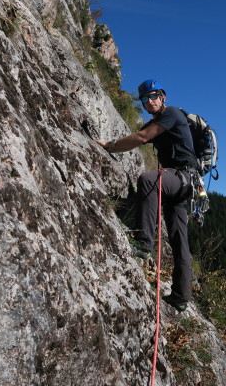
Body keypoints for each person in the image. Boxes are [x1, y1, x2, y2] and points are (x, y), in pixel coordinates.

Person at [96, 79, 196, 312]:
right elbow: (141, 134)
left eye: (153, 96)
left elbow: (140, 138)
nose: (149, 101)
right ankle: (181, 296)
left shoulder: (171, 113)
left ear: (163, 97)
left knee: (149, 180)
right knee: (180, 240)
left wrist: (111, 145)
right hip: (184, 184)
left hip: (181, 178)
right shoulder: (159, 121)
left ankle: (143, 244)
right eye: (144, 99)